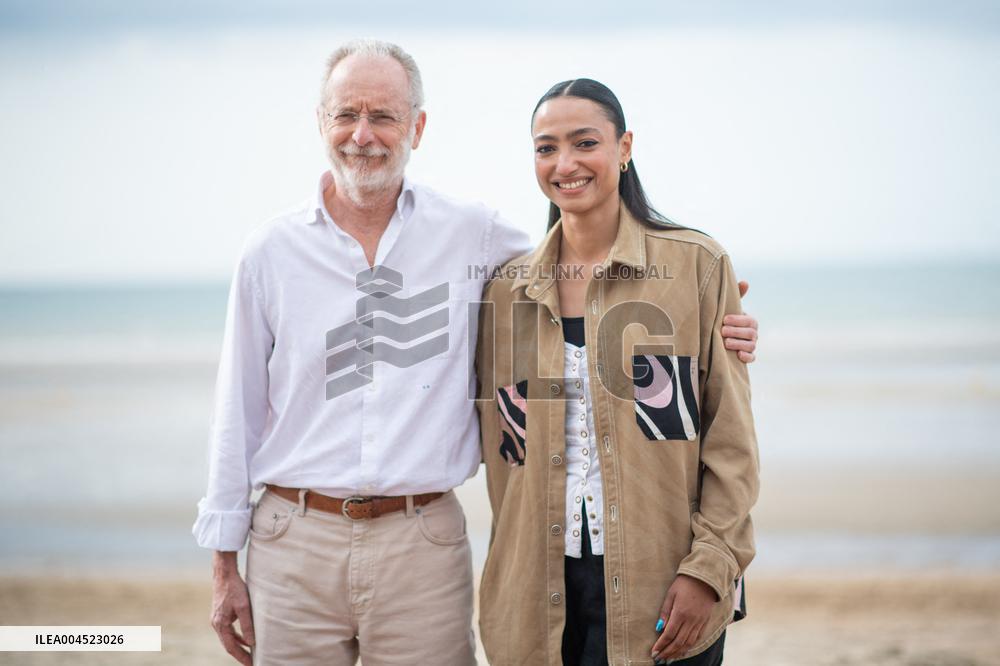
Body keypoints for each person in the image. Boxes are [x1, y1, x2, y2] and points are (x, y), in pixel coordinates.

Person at [193, 40, 759, 665]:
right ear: (321, 123)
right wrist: (223, 558)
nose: (364, 135)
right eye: (346, 115)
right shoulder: (275, 253)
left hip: (432, 546)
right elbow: (235, 413)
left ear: (417, 126)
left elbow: (721, 430)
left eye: (383, 116)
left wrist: (711, 316)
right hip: (301, 541)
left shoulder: (478, 236)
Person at [476, 78, 759, 666]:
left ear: (624, 148)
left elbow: (731, 444)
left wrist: (709, 569)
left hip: (665, 582)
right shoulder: (505, 295)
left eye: (585, 143)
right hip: (536, 597)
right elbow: (504, 452)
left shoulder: (696, 268)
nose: (565, 163)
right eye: (545, 147)